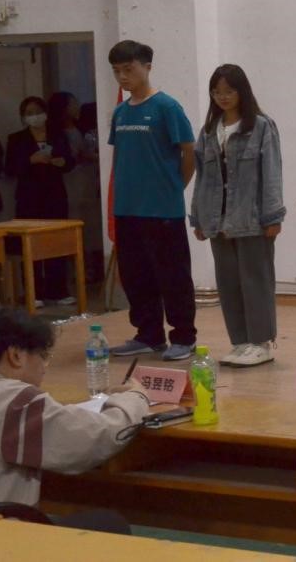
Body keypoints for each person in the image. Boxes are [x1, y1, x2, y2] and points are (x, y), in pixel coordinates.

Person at [0, 307, 149, 533]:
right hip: (9, 537)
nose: (45, 366)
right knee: (108, 523)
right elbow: (99, 436)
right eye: (43, 356)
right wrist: (136, 398)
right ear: (16, 355)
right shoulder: (17, 401)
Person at [106, 40, 198, 361]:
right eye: (116, 71)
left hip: (162, 210)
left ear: (147, 67)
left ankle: (183, 337)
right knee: (135, 276)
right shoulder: (120, 112)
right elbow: (121, 156)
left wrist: (174, 188)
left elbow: (189, 152)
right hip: (127, 210)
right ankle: (148, 335)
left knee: (172, 276)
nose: (122, 76)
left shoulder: (167, 107)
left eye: (128, 69)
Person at [190, 65, 285, 368]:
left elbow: (271, 173)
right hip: (217, 221)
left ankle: (262, 343)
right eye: (216, 92)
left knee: (255, 281)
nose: (223, 97)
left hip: (251, 219)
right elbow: (203, 177)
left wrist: (273, 215)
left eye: (229, 91)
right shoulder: (209, 131)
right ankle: (240, 342)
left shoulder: (261, 126)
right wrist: (198, 217)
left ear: (242, 91)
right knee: (228, 283)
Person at [4, 96, 76, 306]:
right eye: (29, 113)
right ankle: (33, 292)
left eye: (38, 111)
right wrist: (30, 160)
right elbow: (9, 169)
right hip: (29, 198)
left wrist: (62, 162)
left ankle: (58, 291)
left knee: (56, 242)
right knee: (30, 245)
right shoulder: (16, 139)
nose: (35, 116)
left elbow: (70, 161)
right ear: (23, 117)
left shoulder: (58, 135)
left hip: (55, 195)